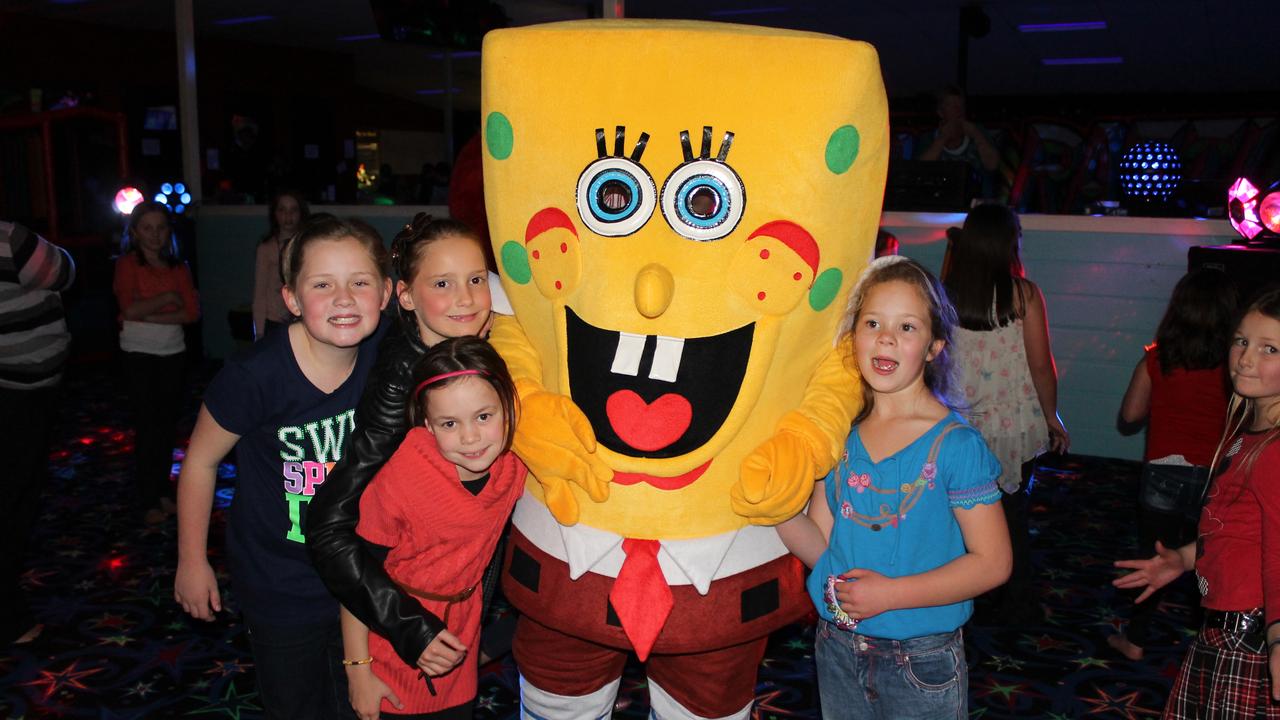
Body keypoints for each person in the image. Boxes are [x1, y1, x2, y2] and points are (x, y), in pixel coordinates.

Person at [174, 216, 392, 719]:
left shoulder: (385, 354)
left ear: (384, 294)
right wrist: (191, 559)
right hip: (280, 580)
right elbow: (201, 463)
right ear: (292, 299)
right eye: (322, 285)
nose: (343, 298)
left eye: (359, 282)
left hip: (361, 572)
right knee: (296, 703)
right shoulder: (254, 376)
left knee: (360, 700)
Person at [777, 255, 1011, 718]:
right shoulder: (840, 435)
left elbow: (994, 563)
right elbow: (820, 544)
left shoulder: (954, 445)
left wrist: (891, 595)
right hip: (838, 648)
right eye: (872, 323)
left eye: (907, 327)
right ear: (853, 338)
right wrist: (776, 505)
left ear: (934, 346)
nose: (886, 337)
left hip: (921, 660)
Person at [307, 214, 504, 677]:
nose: (465, 298)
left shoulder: (482, 341)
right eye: (442, 283)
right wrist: (406, 629)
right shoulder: (401, 386)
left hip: (466, 594)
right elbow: (333, 526)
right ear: (407, 295)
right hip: (413, 610)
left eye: (476, 279)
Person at [1114, 287, 1280, 718]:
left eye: (1270, 349)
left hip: (1251, 641)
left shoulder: (1275, 452)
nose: (1245, 358)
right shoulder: (1246, 433)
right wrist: (1185, 558)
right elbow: (1236, 530)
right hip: (1222, 626)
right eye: (1241, 340)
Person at [341, 337, 526, 719]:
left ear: (507, 407)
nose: (470, 437)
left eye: (483, 416)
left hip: (463, 637)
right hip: (393, 638)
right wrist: (359, 672)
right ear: (427, 425)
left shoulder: (515, 464)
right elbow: (356, 577)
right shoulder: (401, 477)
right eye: (449, 423)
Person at [942, 203, 1068, 624]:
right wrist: (1052, 416)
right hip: (1012, 427)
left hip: (960, 425)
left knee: (961, 519)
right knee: (1011, 518)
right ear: (1009, 243)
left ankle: (967, 601)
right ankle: (1018, 607)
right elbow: (1040, 365)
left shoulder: (946, 294)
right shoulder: (1024, 294)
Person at [1109, 269, 1236, 661]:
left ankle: (1136, 639)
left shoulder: (1156, 359)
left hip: (1164, 471)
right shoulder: (1237, 366)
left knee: (1154, 557)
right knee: (1213, 555)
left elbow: (1130, 415)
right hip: (1217, 474)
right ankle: (1215, 638)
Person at [0, 221, 74, 646]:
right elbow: (64, 271)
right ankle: (10, 618)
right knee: (13, 497)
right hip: (14, 396)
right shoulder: (8, 237)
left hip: (21, 392)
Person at [114, 201, 201, 525]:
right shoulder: (126, 265)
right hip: (137, 354)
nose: (155, 234)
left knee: (166, 427)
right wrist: (166, 301)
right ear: (135, 232)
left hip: (172, 353)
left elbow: (190, 313)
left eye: (160, 228)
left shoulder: (179, 267)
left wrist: (142, 311)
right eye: (147, 228)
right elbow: (127, 308)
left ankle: (163, 490)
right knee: (147, 426)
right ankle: (148, 495)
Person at [918, 86, 999, 200]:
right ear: (940, 112)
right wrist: (943, 138)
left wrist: (976, 134)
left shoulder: (979, 132)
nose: (958, 110)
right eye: (951, 105)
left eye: (961, 105)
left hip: (978, 203)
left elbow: (992, 165)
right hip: (940, 203)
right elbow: (920, 171)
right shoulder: (928, 138)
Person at [254, 191, 309, 340]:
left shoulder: (308, 245)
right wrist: (259, 332)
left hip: (303, 319)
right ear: (275, 214)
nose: (288, 216)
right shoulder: (266, 248)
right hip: (275, 321)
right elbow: (260, 294)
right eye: (282, 210)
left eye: (293, 210)